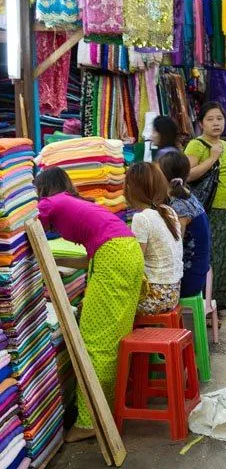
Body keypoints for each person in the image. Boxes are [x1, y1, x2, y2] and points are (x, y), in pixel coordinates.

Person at [35, 167, 145, 443]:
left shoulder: (50, 202)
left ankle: (90, 421)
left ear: (42, 189)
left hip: (112, 258)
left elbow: (17, 224)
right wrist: (55, 263)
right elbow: (87, 256)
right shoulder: (79, 205)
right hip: (126, 254)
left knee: (95, 342)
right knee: (112, 339)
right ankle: (105, 410)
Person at [185, 102, 226, 310]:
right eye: (210, 119)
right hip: (205, 210)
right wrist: (212, 158)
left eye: (219, 118)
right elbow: (187, 174)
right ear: (201, 123)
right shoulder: (196, 145)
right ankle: (209, 307)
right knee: (211, 258)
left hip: (225, 209)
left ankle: (221, 299)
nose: (215, 123)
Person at [125, 163, 184, 315]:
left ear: (131, 190)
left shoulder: (141, 218)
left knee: (109, 301)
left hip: (155, 296)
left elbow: (136, 263)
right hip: (173, 292)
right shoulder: (168, 211)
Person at [158, 151, 211, 298]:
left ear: (163, 177)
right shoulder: (187, 195)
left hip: (190, 278)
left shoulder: (179, 206)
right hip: (199, 270)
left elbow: (176, 243)